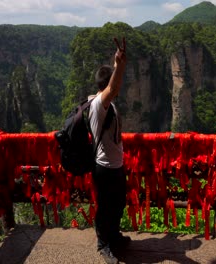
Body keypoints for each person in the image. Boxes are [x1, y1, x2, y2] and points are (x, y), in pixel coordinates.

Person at [88, 37, 130, 264]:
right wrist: (120, 66)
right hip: (104, 168)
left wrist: (117, 64)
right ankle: (103, 245)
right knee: (105, 208)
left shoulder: (108, 104)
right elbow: (113, 87)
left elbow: (112, 87)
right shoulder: (99, 105)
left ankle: (114, 237)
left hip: (116, 166)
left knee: (118, 204)